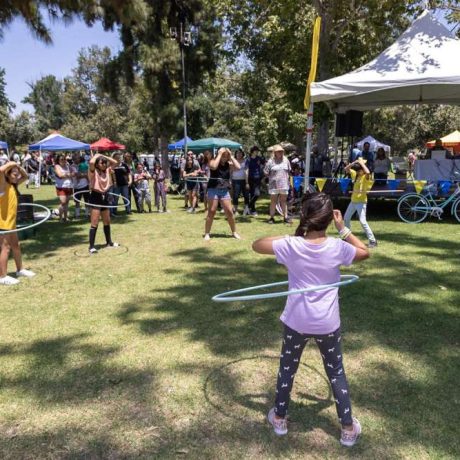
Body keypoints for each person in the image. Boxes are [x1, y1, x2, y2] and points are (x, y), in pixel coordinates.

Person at [252, 192, 369, 446]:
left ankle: (280, 418)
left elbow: (257, 244)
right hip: (327, 323)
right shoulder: (338, 247)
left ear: (305, 216)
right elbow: (364, 252)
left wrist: (288, 238)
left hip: (297, 322)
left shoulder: (291, 245)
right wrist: (344, 229)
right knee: (336, 373)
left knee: (287, 369)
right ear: (329, 219)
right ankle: (348, 428)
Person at [0, 161, 36, 285]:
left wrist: (18, 167)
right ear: (7, 175)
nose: (17, 176)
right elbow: (0, 170)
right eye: (14, 174)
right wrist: (11, 163)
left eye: (17, 174)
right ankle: (2, 276)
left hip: (11, 222)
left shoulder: (13, 185)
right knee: (5, 248)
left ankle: (19, 270)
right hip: (3, 223)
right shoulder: (2, 184)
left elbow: (25, 176)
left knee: (16, 246)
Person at [204, 147, 241, 241]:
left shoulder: (229, 164)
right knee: (211, 211)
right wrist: (219, 154)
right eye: (223, 155)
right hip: (213, 189)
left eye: (226, 155)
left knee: (229, 212)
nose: (225, 157)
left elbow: (238, 167)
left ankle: (234, 232)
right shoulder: (213, 161)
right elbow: (214, 167)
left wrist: (231, 156)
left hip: (224, 190)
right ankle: (207, 233)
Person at [87, 153, 120, 254]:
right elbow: (92, 162)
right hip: (96, 196)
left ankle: (109, 242)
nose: (105, 164)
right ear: (97, 164)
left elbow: (115, 162)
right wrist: (97, 155)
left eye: (105, 163)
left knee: (107, 221)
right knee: (94, 223)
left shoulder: (107, 170)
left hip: (105, 196)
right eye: (102, 163)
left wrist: (103, 156)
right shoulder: (93, 171)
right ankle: (91, 246)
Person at [344, 157, 377, 248]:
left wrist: (362, 164)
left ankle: (373, 241)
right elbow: (346, 169)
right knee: (346, 218)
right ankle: (347, 237)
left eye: (359, 170)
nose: (358, 172)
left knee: (363, 222)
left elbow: (368, 172)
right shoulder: (355, 175)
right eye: (357, 170)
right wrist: (354, 162)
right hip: (353, 201)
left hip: (361, 202)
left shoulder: (365, 177)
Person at [264, 145, 292, 224]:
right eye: (279, 151)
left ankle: (285, 217)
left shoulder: (286, 160)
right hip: (273, 185)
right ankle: (271, 218)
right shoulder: (270, 161)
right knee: (273, 201)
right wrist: (271, 177)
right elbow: (265, 172)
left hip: (284, 184)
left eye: (282, 151)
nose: (280, 153)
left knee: (283, 201)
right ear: (275, 153)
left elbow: (289, 171)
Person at [54, 154, 75, 222]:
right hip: (61, 187)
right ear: (58, 160)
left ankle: (66, 217)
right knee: (63, 202)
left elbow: (74, 173)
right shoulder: (57, 166)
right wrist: (69, 175)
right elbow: (60, 175)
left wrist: (67, 175)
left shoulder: (68, 166)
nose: (63, 160)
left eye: (64, 159)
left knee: (67, 203)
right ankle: (60, 218)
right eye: (61, 159)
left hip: (69, 186)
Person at [231, 149, 250, 216]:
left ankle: (246, 210)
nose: (239, 154)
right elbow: (231, 171)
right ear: (235, 154)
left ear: (242, 154)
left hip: (244, 180)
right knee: (235, 196)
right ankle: (235, 210)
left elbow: (246, 171)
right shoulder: (233, 161)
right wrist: (230, 180)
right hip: (235, 180)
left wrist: (247, 182)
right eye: (237, 153)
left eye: (240, 153)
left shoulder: (245, 161)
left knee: (246, 196)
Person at [246, 146, 264, 216]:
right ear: (252, 151)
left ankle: (249, 206)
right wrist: (247, 182)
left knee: (257, 194)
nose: (257, 152)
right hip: (251, 179)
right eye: (256, 150)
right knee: (253, 194)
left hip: (258, 179)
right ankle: (253, 210)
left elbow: (264, 164)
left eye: (257, 151)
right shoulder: (248, 159)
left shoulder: (259, 158)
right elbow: (246, 170)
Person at [72, 154, 90, 219]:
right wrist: (84, 175)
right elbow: (77, 175)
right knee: (77, 202)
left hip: (85, 185)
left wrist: (84, 175)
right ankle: (77, 215)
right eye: (75, 159)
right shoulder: (72, 166)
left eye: (77, 158)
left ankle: (87, 214)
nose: (76, 160)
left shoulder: (85, 165)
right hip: (77, 187)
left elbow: (88, 174)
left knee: (87, 201)